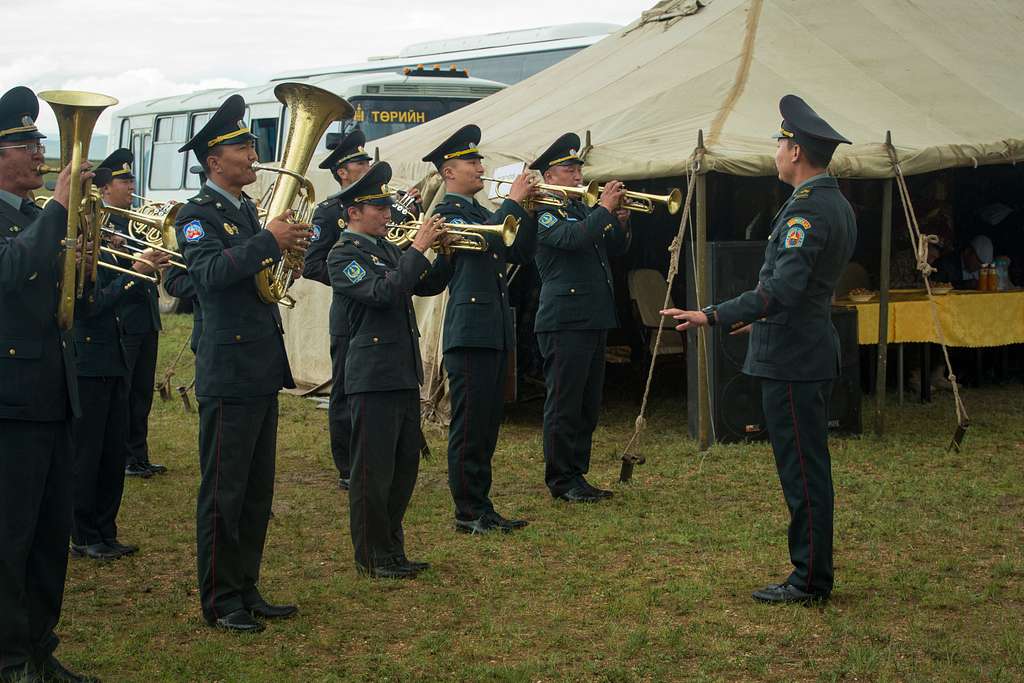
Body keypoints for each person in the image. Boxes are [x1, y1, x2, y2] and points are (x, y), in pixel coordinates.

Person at [663, 95, 856, 605]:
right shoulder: (833, 201)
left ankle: (810, 579)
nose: (775, 151)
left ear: (795, 150)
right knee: (806, 467)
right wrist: (758, 320)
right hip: (803, 345)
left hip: (794, 358)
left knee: (803, 472)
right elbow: (804, 290)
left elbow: (783, 291)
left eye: (779, 142)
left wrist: (712, 314)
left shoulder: (809, 209)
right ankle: (812, 572)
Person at [175, 94, 309, 633]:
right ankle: (219, 599)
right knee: (224, 491)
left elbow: (255, 281)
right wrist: (266, 243)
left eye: (251, 145)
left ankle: (246, 585)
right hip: (227, 369)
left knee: (256, 491)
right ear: (215, 161)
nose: (254, 154)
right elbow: (206, 277)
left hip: (257, 365)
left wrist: (282, 261)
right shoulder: (196, 214)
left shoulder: (245, 209)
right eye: (244, 147)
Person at [0, 85, 98, 683]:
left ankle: (39, 645)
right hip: (10, 401)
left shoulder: (37, 216)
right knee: (8, 539)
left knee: (47, 536)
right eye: (25, 144)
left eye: (40, 142)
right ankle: (9, 658)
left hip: (54, 395)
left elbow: (65, 306)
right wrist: (62, 210)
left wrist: (83, 260)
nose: (40, 154)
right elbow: (9, 275)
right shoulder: (40, 216)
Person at [327, 162, 452, 578]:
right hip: (371, 374)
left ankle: (392, 547)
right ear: (353, 213)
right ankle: (371, 555)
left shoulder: (384, 249)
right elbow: (383, 292)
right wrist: (417, 248)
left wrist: (446, 254)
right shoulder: (343, 254)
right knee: (372, 471)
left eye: (386, 206)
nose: (387, 213)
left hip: (400, 370)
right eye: (377, 207)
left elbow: (424, 284)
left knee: (402, 468)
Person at [423, 124, 539, 534]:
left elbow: (520, 251)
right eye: (472, 161)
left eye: (479, 160)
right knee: (470, 426)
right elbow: (489, 244)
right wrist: (511, 202)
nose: (480, 167)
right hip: (470, 330)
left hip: (490, 328)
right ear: (448, 171)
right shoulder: (448, 213)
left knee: (487, 424)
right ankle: (467, 512)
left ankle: (481, 504)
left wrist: (527, 210)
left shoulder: (479, 212)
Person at [303, 130, 421, 490]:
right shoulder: (328, 212)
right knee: (345, 391)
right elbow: (313, 263)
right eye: (359, 162)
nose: (366, 165)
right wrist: (352, 280)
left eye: (367, 161)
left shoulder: (380, 209)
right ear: (342, 172)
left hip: (381, 308)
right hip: (351, 314)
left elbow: (396, 253)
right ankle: (347, 466)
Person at [70, 171, 168, 562]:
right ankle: (83, 533)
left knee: (112, 452)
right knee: (88, 453)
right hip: (89, 359)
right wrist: (136, 274)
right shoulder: (76, 247)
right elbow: (91, 306)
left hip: (112, 357)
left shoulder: (106, 243)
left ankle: (106, 530)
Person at [530, 132, 630, 502]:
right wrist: (603, 210)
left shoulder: (581, 210)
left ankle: (577, 474)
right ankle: (560, 478)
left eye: (578, 168)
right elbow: (571, 240)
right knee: (565, 403)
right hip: (564, 318)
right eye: (569, 169)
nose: (577, 175)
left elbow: (613, 248)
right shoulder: (543, 212)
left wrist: (619, 220)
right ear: (549, 176)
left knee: (587, 403)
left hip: (592, 315)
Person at [95, 148, 168, 478]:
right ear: (105, 187)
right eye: (123, 180)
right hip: (122, 318)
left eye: (131, 179)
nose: (131, 185)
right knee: (123, 393)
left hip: (144, 317)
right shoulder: (98, 223)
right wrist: (132, 262)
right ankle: (124, 456)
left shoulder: (136, 223)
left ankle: (138, 454)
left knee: (141, 392)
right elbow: (103, 277)